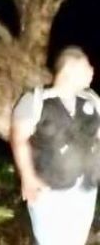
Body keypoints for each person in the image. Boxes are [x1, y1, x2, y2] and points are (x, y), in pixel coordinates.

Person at [10, 46, 100, 245]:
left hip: (85, 189)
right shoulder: (35, 101)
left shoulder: (93, 100)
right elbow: (19, 140)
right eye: (86, 67)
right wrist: (27, 177)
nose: (92, 70)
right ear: (69, 70)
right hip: (49, 189)